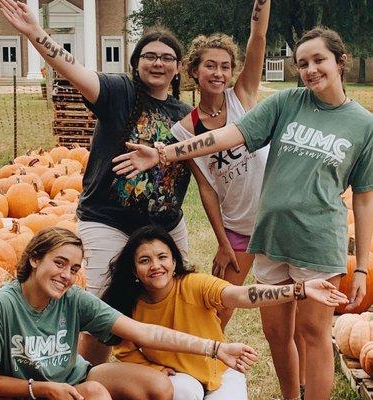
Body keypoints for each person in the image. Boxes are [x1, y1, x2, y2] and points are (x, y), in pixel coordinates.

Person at [112, 28, 373, 400]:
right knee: (277, 335)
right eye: (302, 63)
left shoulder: (363, 124)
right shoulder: (287, 104)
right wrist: (165, 152)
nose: (310, 70)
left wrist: (361, 265)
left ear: (340, 62)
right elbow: (229, 135)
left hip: (318, 240)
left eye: (319, 60)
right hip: (270, 237)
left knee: (313, 335)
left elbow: (363, 198)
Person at [0, 0, 191, 364]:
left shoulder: (185, 116)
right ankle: (92, 376)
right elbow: (72, 68)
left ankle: (160, 372)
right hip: (108, 218)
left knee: (172, 297)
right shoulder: (118, 93)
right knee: (104, 306)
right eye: (149, 56)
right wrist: (36, 33)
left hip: (165, 225)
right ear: (135, 63)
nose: (158, 63)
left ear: (178, 67)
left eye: (167, 57)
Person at [0, 227, 261, 400]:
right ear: (34, 258)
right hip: (27, 389)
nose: (66, 275)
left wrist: (215, 348)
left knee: (155, 386)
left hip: (73, 380)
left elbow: (146, 333)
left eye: (74, 269)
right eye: (59, 263)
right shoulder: (0, 306)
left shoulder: (73, 298)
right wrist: (44, 389)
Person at [103, 225, 348, 400]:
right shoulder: (129, 304)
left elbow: (241, 295)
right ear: (134, 270)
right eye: (144, 261)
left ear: (174, 262)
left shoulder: (194, 284)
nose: (155, 266)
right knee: (187, 392)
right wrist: (154, 371)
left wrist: (300, 289)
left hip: (220, 370)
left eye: (162, 257)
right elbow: (125, 350)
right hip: (177, 379)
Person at [172, 0, 270, 329]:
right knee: (220, 308)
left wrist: (262, 5)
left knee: (287, 306)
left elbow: (258, 37)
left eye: (225, 66)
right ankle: (207, 370)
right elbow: (206, 188)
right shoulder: (184, 129)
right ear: (194, 71)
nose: (219, 73)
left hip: (276, 218)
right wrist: (223, 242)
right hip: (238, 225)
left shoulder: (241, 96)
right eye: (210, 66)